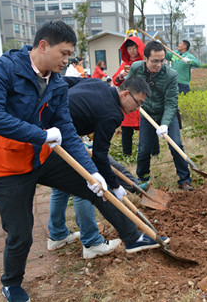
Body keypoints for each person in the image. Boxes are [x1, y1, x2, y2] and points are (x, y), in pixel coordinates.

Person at [0, 21, 168, 302]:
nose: (68, 60)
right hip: (6, 165)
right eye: (64, 53)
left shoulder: (55, 81)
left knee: (94, 187)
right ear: (43, 46)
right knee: (21, 232)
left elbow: (66, 129)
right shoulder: (2, 69)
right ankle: (12, 284)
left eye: (70, 54)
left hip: (41, 156)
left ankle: (132, 238)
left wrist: (95, 173)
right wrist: (40, 134)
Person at [48, 75, 151, 259]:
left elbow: (64, 81)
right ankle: (91, 242)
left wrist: (60, 105)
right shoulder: (112, 113)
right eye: (138, 103)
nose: (138, 109)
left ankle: (57, 234)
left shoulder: (97, 83)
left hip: (50, 126)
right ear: (126, 94)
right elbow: (99, 156)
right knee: (85, 182)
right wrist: (116, 186)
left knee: (61, 188)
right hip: (60, 135)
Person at [127, 40, 194, 191]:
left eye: (162, 60)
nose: (159, 64)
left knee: (176, 144)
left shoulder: (171, 75)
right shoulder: (136, 68)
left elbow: (171, 103)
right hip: (147, 113)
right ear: (145, 59)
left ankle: (185, 179)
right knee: (144, 148)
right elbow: (128, 86)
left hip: (167, 114)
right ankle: (142, 179)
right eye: (155, 61)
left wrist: (164, 124)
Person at [113, 34, 146, 156]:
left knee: (147, 129)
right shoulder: (125, 64)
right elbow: (115, 80)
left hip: (144, 100)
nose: (131, 51)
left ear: (139, 47)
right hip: (128, 101)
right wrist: (120, 76)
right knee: (126, 130)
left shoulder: (145, 62)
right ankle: (127, 154)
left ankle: (151, 152)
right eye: (129, 49)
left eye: (134, 48)